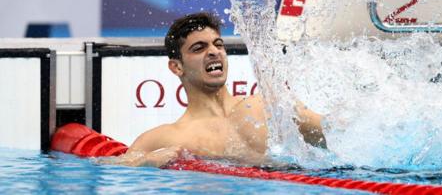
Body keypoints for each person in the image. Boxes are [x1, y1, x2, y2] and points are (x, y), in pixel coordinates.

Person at [118, 12, 325, 167]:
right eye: (199, 48)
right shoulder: (166, 138)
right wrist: (146, 161)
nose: (214, 52)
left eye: (218, 44)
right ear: (177, 67)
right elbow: (110, 166)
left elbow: (339, 138)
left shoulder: (270, 107)